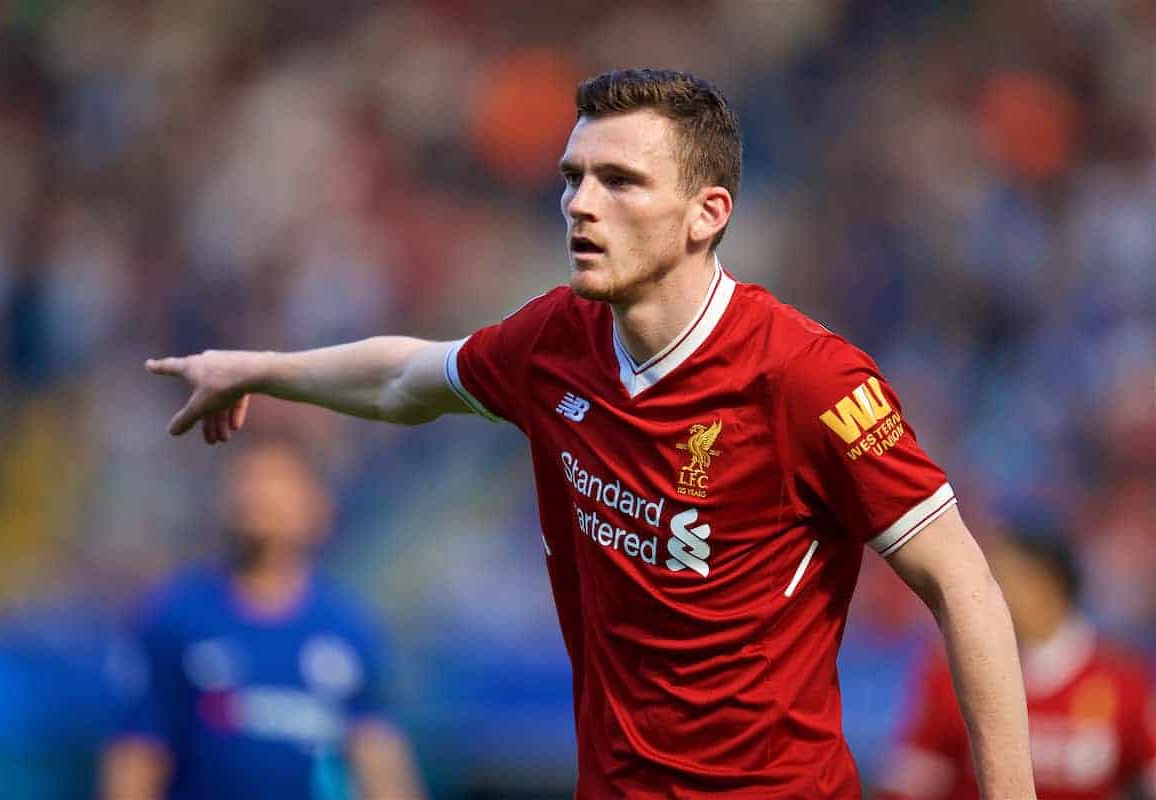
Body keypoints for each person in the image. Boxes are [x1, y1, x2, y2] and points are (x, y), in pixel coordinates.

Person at [146, 69, 1035, 798]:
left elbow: (964, 584)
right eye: (572, 177)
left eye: (620, 181)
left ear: (707, 214)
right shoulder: (555, 342)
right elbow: (403, 377)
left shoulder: (809, 378)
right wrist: (260, 367)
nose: (580, 203)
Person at [99, 436, 426, 800]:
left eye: (278, 482)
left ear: (317, 507)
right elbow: (135, 759)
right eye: (247, 480)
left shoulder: (348, 631)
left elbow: (380, 764)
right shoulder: (174, 619)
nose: (259, 496)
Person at [878, 530, 1156, 800]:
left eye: (1002, 581)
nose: (982, 596)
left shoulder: (1123, 681)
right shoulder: (952, 674)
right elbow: (909, 786)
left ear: (1048, 587)